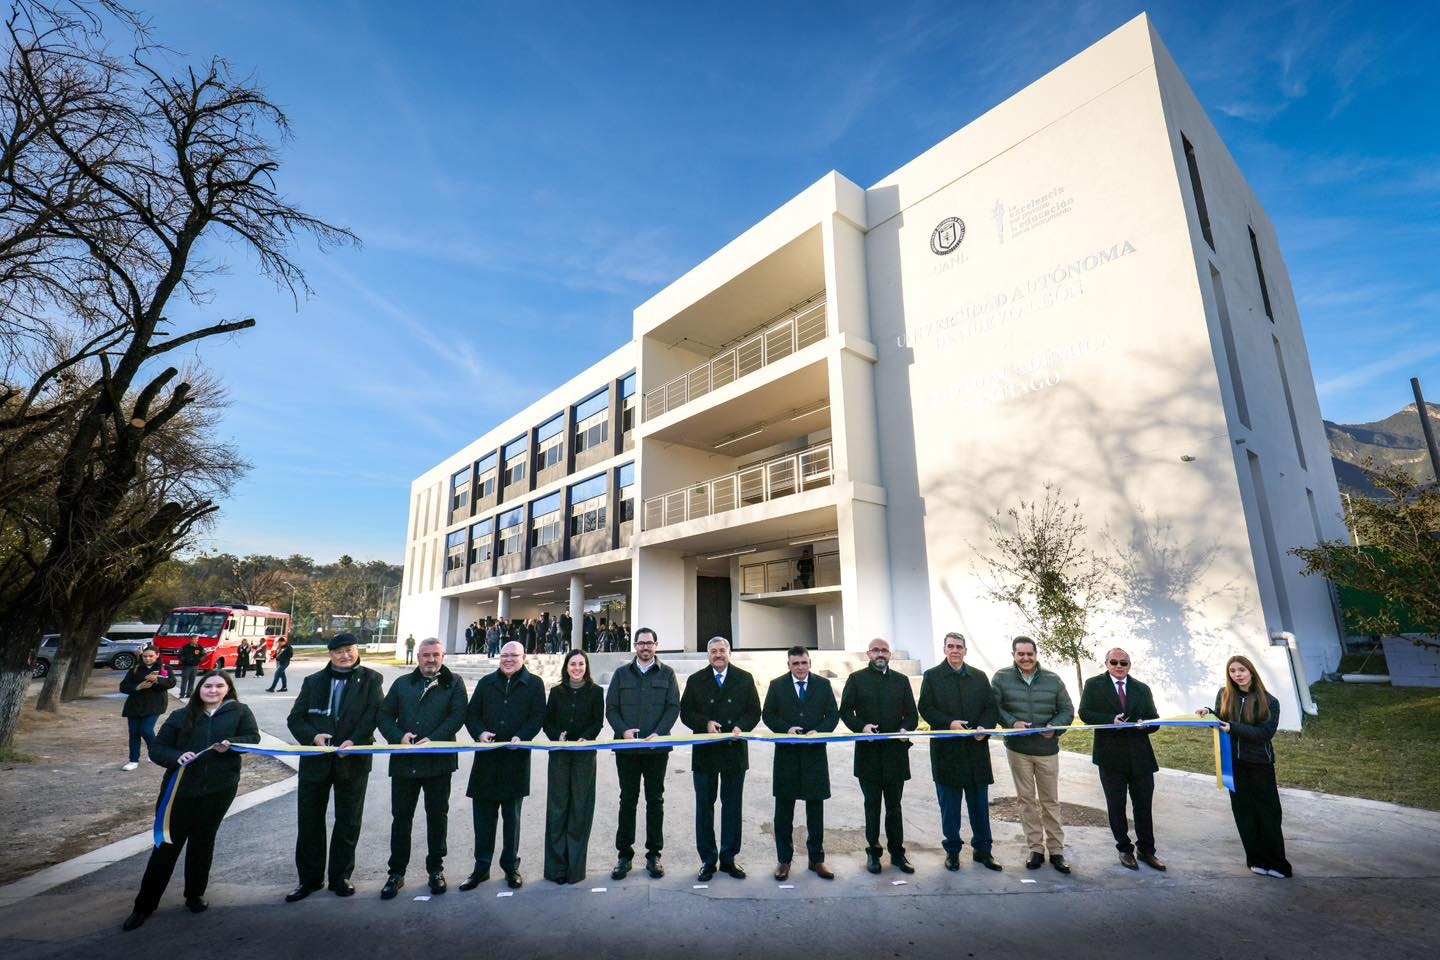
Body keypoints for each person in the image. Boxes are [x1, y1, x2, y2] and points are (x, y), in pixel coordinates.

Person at [121, 671, 260, 931]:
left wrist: (233, 743)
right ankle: (144, 906)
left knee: (203, 842)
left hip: (219, 789)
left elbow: (253, 739)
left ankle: (194, 894)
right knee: (167, 846)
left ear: (228, 689)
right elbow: (158, 748)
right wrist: (177, 757)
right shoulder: (180, 716)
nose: (214, 690)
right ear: (199, 689)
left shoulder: (240, 712)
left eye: (220, 686)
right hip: (180, 792)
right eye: (208, 686)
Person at [284, 633, 384, 901]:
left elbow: (374, 714)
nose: (345, 655)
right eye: (339, 651)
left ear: (357, 650)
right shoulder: (313, 681)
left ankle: (341, 876)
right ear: (330, 654)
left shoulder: (372, 679)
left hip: (352, 760)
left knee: (348, 820)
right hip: (316, 762)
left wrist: (356, 740)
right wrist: (313, 737)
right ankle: (309, 879)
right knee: (310, 821)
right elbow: (296, 718)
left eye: (349, 650)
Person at [377, 638, 468, 900]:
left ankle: (436, 869)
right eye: (426, 655)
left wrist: (436, 739)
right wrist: (398, 736)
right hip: (405, 763)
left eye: (436, 655)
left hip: (438, 763)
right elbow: (384, 714)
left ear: (443, 657)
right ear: (418, 657)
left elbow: (457, 715)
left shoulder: (454, 683)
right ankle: (396, 873)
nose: (431, 660)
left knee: (437, 816)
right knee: (401, 818)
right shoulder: (402, 684)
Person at [461, 640, 545, 890]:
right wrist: (480, 732)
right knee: (483, 819)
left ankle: (511, 867)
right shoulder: (487, 683)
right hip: (486, 760)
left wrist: (524, 735)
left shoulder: (534, 684)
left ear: (524, 657)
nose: (509, 659)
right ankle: (481, 868)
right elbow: (472, 714)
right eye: (505, 655)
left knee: (512, 819)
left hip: (515, 760)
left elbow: (537, 716)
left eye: (514, 656)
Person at [1199, 655, 1292, 878]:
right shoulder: (1224, 695)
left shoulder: (1269, 701)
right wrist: (1207, 712)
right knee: (1244, 812)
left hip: (1260, 764)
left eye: (1242, 670)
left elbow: (1265, 733)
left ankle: (1278, 864)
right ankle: (1255, 859)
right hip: (1234, 763)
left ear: (1251, 672)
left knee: (1268, 813)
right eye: (1232, 671)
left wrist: (1233, 728)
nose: (1237, 674)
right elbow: (1220, 719)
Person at [919, 632, 1003, 872]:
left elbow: (991, 707)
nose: (955, 650)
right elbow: (925, 707)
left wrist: (983, 729)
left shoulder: (979, 676)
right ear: (944, 649)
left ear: (965, 650)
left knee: (979, 806)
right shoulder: (932, 676)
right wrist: (949, 724)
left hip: (976, 750)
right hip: (947, 752)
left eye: (959, 647)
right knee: (950, 807)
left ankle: (983, 850)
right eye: (950, 646)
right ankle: (953, 852)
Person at [990, 636, 1074, 873]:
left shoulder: (1053, 679)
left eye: (1030, 654)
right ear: (1014, 655)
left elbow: (1067, 710)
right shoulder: (1001, 678)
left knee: (1050, 801)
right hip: (1018, 750)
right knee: (1026, 800)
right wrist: (1011, 722)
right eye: (1021, 654)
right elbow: (995, 707)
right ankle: (1035, 849)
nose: (1026, 658)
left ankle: (1056, 851)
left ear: (1036, 654)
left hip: (1047, 750)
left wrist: (1054, 727)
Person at [680, 637, 761, 881]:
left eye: (722, 651)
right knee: (704, 807)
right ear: (708, 655)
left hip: (733, 752)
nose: (718, 655)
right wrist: (704, 723)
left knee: (732, 806)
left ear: (729, 652)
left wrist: (741, 726)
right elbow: (685, 713)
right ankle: (707, 860)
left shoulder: (744, 679)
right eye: (713, 651)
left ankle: (729, 858)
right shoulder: (696, 680)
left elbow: (754, 711)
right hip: (705, 752)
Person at [1078, 647, 1165, 871]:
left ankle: (1147, 851)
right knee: (1116, 806)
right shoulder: (1093, 685)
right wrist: (1110, 720)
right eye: (1114, 662)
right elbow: (1085, 713)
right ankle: (1124, 850)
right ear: (1106, 664)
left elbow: (1154, 720)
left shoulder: (1142, 688)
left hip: (1141, 757)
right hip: (1110, 756)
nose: (1119, 666)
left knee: (1143, 807)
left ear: (1129, 665)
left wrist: (1146, 724)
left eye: (1123, 663)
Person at [605, 626, 681, 880]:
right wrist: (623, 731)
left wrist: (659, 732)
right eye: (641, 643)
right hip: (626, 749)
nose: (645, 647)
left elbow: (673, 707)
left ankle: (654, 855)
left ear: (656, 645)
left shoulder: (667, 674)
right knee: (627, 800)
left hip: (656, 749)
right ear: (635, 646)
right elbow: (611, 708)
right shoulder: (621, 674)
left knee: (655, 801)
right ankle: (624, 856)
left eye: (650, 643)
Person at [840, 637, 918, 874]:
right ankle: (873, 854)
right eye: (876, 650)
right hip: (868, 755)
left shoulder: (901, 681)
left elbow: (912, 715)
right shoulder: (856, 680)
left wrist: (906, 729)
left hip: (895, 754)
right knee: (872, 807)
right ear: (868, 654)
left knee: (894, 807)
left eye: (884, 650)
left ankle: (897, 854)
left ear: (890, 655)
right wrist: (861, 727)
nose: (880, 654)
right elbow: (845, 711)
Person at [762, 645, 839, 880]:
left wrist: (819, 731)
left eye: (804, 663)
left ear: (810, 663)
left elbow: (833, 715)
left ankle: (817, 860)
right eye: (795, 663)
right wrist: (786, 729)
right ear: (789, 665)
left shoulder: (823, 685)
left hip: (814, 755)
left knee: (815, 809)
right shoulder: (777, 685)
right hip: (787, 755)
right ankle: (784, 860)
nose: (800, 667)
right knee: (784, 811)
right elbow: (768, 714)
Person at [543, 649, 606, 883]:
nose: (577, 668)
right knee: (558, 809)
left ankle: (575, 870)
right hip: (559, 755)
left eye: (581, 664)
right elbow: (547, 721)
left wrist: (586, 739)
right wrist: (555, 736)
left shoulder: (596, 692)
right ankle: (556, 869)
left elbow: (597, 722)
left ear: (586, 667)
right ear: (566, 667)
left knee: (580, 810)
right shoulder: (556, 692)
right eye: (573, 664)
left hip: (583, 756)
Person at [118, 646, 175, 771]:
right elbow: (123, 686)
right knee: (134, 733)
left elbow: (171, 683)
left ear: (157, 655)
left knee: (146, 730)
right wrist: (138, 687)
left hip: (154, 705)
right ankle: (133, 760)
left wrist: (157, 680)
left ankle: (154, 752)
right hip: (134, 705)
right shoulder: (135, 669)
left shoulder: (164, 668)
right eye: (145, 656)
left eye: (151, 656)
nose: (148, 659)